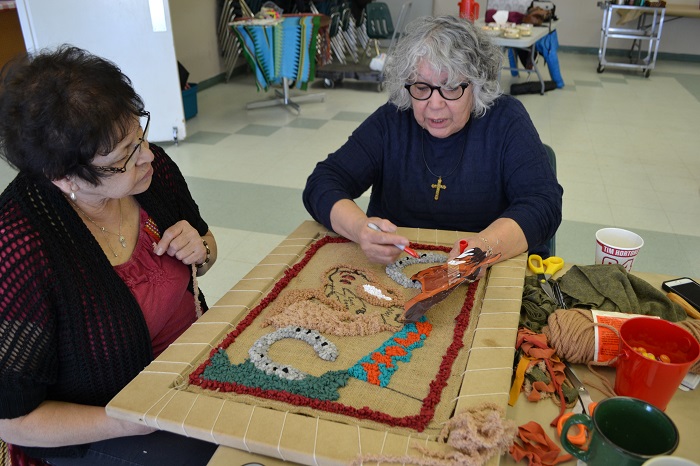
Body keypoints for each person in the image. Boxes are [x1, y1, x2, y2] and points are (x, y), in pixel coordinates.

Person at [0, 46, 218, 465]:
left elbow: (205, 249)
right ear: (65, 179)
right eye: (125, 157)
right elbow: (13, 419)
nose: (148, 156)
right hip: (104, 424)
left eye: (141, 136)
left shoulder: (148, 175)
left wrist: (202, 249)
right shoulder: (21, 246)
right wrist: (127, 420)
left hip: (188, 373)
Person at [303, 15, 562, 265]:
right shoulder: (392, 120)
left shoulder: (506, 120)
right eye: (421, 88)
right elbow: (323, 182)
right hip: (396, 270)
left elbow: (543, 202)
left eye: (451, 88)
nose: (434, 105)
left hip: (490, 265)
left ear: (477, 84)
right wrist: (361, 230)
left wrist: (486, 246)